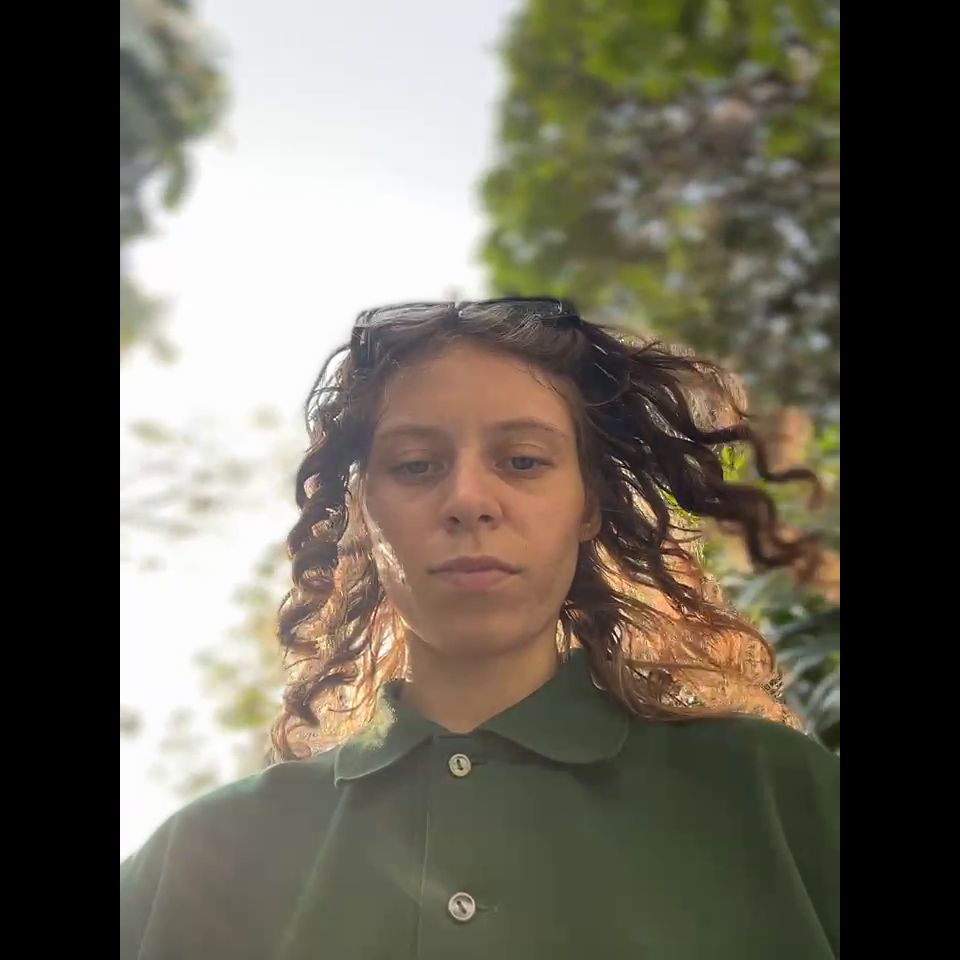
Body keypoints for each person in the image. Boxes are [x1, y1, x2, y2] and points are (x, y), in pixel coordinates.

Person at [120, 298, 839, 959]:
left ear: (588, 504)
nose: (468, 499)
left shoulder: (777, 799)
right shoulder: (198, 862)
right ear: (363, 513)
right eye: (416, 465)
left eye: (523, 461)